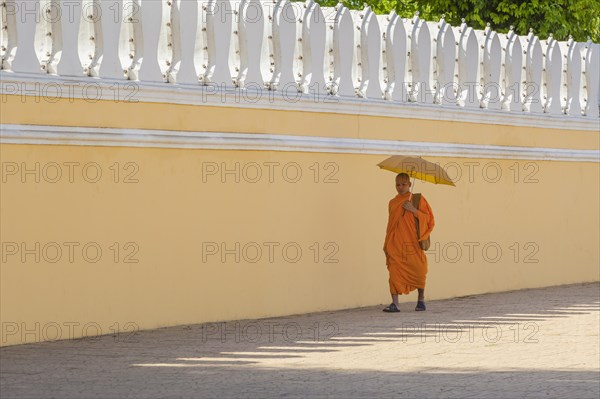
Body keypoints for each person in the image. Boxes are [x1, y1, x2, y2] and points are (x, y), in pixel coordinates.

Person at [382, 173, 435, 312]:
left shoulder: (418, 199)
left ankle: (421, 300)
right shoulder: (392, 202)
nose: (400, 187)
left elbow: (428, 220)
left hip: (413, 244)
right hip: (396, 243)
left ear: (410, 185)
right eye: (397, 184)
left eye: (403, 184)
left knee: (419, 270)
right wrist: (387, 242)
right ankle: (395, 304)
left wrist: (413, 210)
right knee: (394, 271)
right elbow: (391, 224)